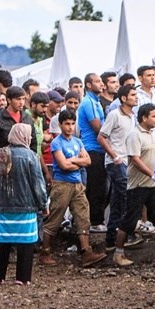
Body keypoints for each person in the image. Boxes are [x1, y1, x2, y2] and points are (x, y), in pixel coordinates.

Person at [40, 110, 107, 268]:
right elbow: (63, 165)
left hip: (77, 183)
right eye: (67, 124)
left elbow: (88, 161)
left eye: (72, 124)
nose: (70, 127)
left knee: (83, 216)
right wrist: (78, 162)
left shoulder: (78, 141)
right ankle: (45, 251)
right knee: (55, 217)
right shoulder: (57, 142)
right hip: (62, 184)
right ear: (61, 125)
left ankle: (86, 251)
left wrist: (73, 160)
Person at [0, 124, 48, 285]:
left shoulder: (0, 154)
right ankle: (22, 278)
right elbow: (38, 184)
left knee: (3, 241)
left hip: (5, 206)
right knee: (26, 243)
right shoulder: (31, 157)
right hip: (26, 207)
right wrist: (43, 204)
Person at [112, 104, 155, 267]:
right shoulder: (134, 135)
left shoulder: (154, 134)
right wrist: (151, 173)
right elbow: (135, 158)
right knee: (130, 220)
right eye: (153, 116)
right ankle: (118, 253)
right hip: (137, 185)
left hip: (153, 185)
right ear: (144, 118)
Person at [97, 85, 139, 251]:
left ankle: (111, 238)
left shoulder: (133, 116)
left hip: (127, 162)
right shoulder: (114, 115)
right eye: (133, 95)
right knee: (125, 196)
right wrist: (114, 156)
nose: (136, 98)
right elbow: (101, 137)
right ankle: (125, 233)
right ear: (123, 98)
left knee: (117, 200)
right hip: (116, 162)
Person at [77, 73, 108, 233]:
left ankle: (95, 219)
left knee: (102, 187)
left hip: (99, 149)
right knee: (96, 187)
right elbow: (98, 128)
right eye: (97, 82)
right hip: (92, 150)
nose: (101, 84)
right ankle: (94, 221)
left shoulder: (96, 102)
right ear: (88, 85)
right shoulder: (88, 103)